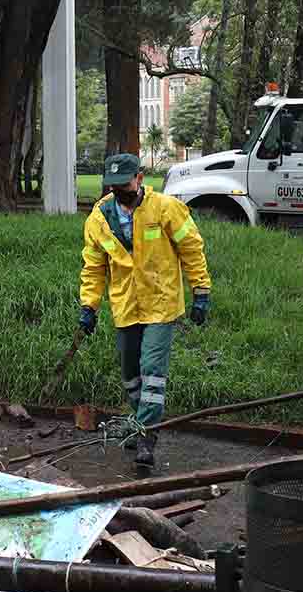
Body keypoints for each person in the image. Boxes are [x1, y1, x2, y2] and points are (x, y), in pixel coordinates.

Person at [79, 153, 212, 468]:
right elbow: (94, 267)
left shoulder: (165, 209)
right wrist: (89, 305)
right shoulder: (99, 218)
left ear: (139, 178)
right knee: (130, 374)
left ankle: (146, 435)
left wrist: (201, 291)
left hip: (160, 303)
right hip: (126, 305)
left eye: (124, 183)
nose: (119, 191)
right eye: (113, 186)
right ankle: (141, 423)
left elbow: (191, 249)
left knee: (152, 371)